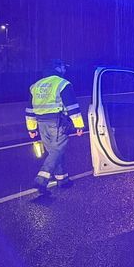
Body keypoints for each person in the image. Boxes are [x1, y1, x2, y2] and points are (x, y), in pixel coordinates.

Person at [25, 59, 85, 194]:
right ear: (58, 68)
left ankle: (62, 180)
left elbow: (29, 110)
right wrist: (79, 125)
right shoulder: (63, 84)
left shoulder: (35, 86)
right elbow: (72, 107)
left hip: (42, 124)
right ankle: (41, 179)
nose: (65, 70)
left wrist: (31, 128)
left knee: (55, 152)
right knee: (57, 151)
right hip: (57, 122)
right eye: (63, 67)